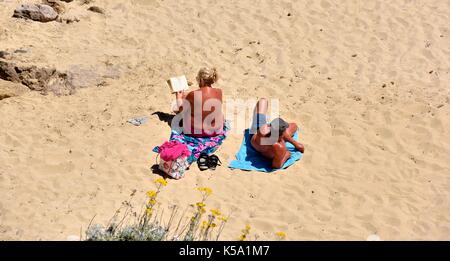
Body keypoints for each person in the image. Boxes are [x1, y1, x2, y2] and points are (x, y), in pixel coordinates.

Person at [250, 98, 305, 169]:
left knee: (263, 101)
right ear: (282, 135)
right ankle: (294, 143)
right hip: (270, 148)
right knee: (294, 125)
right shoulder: (279, 147)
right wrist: (287, 155)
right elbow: (276, 166)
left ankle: (292, 140)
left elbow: (273, 135)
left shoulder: (263, 129)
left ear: (270, 126)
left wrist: (295, 144)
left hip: (254, 140)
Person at [172, 67, 224, 137]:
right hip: (215, 131)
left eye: (197, 79)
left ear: (201, 80)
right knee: (220, 113)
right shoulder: (219, 92)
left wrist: (179, 97)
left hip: (195, 132)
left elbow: (181, 111)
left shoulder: (193, 94)